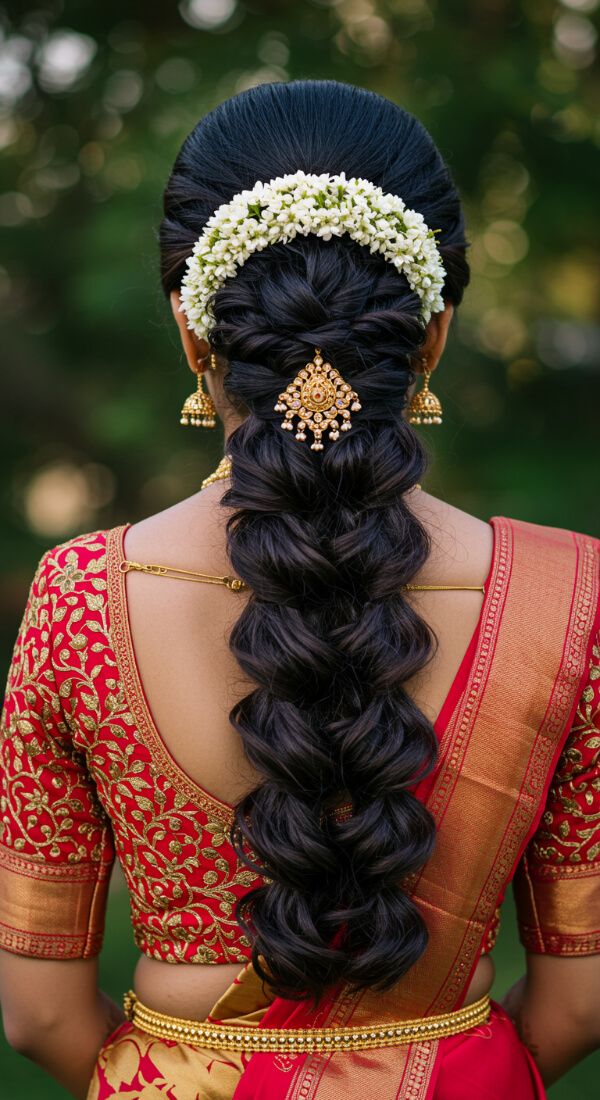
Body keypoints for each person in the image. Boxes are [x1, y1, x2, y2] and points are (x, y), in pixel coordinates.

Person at [0, 79, 599, 1100]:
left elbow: (40, 1013)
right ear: (434, 333)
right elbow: (580, 1002)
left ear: (195, 334)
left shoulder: (78, 601)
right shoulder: (571, 598)